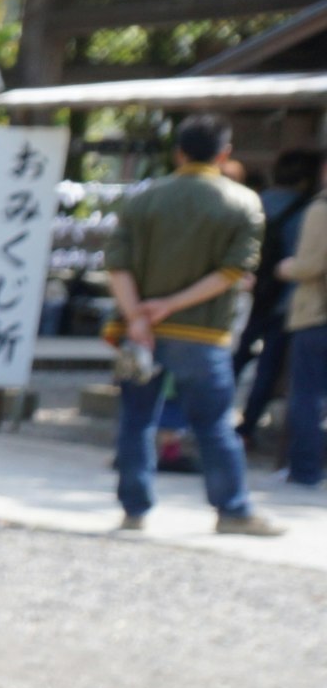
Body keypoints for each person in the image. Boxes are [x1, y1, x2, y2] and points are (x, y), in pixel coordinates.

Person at [107, 112, 282, 537]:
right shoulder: (243, 202)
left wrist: (138, 316)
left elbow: (117, 264)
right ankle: (232, 510)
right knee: (214, 424)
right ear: (225, 154)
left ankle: (135, 509)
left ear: (179, 152)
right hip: (204, 333)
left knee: (136, 420)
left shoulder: (143, 199)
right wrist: (172, 304)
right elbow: (233, 272)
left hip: (140, 334)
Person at [239, 147, 319, 443]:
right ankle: (247, 427)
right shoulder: (309, 211)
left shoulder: (254, 203)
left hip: (249, 295)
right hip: (287, 301)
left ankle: (209, 422)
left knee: (234, 360)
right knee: (268, 369)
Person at [281, 204, 327, 488]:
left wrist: (286, 267)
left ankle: (306, 469)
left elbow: (311, 265)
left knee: (308, 395)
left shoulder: (322, 210)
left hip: (318, 315)